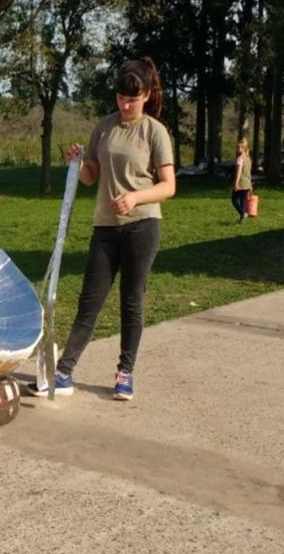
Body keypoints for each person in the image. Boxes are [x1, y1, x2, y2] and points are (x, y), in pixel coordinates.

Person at [28, 58, 176, 402]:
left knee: (131, 300)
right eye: (122, 98)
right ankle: (62, 373)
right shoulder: (105, 127)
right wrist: (77, 163)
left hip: (143, 226)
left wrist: (137, 197)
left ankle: (125, 373)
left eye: (133, 99)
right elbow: (91, 175)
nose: (127, 105)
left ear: (146, 95)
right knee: (89, 302)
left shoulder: (155, 131)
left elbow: (168, 186)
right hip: (105, 228)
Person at [231, 138, 252, 222]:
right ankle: (242, 219)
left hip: (241, 183)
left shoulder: (240, 158)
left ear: (244, 148)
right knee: (243, 201)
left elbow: (239, 172)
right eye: (237, 147)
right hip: (247, 183)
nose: (238, 149)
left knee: (234, 200)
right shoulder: (248, 158)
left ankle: (243, 213)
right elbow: (249, 172)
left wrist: (236, 183)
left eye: (240, 147)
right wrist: (250, 184)